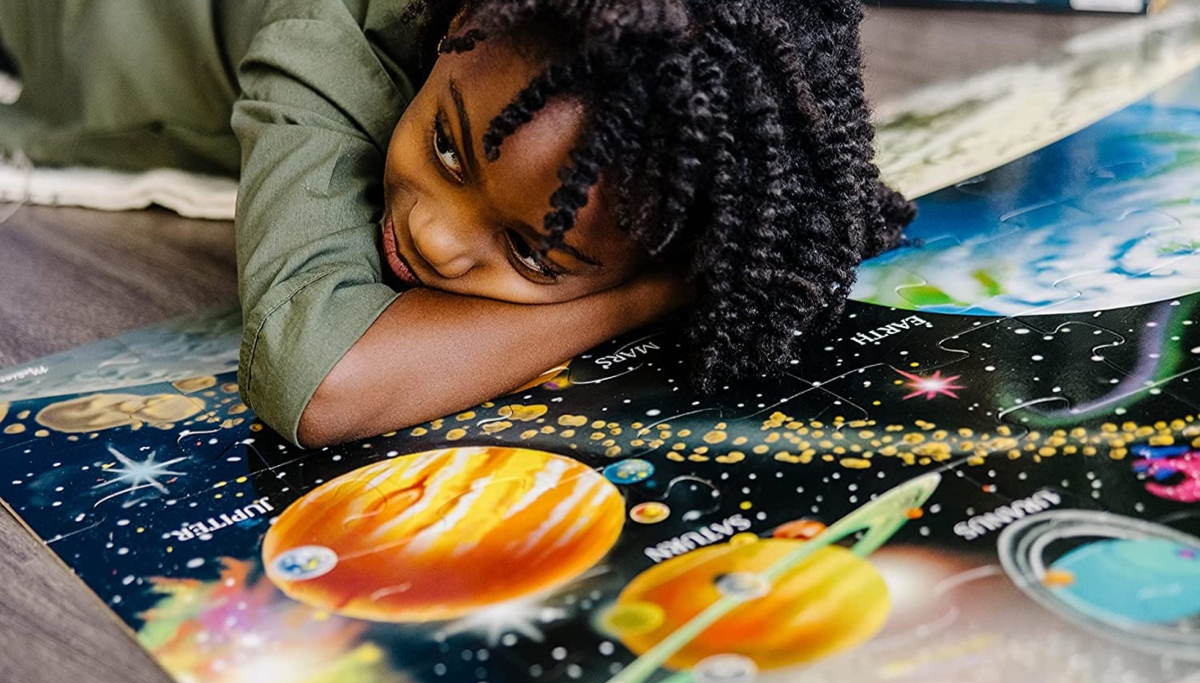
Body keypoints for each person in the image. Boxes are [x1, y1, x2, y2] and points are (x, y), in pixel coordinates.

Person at [0, 0, 915, 447]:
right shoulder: (329, 23)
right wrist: (653, 292)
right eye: (447, 146)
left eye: (528, 249)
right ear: (466, 23)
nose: (437, 236)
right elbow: (316, 380)